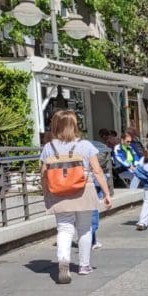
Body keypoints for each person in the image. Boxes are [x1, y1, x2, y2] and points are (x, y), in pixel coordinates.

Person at [40, 110, 112, 284]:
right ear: (75, 125)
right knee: (84, 229)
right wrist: (107, 193)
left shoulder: (49, 148)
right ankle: (84, 265)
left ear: (55, 125)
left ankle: (63, 259)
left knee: (64, 228)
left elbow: (43, 174)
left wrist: (46, 194)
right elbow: (97, 170)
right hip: (83, 190)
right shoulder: (86, 145)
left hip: (59, 192)